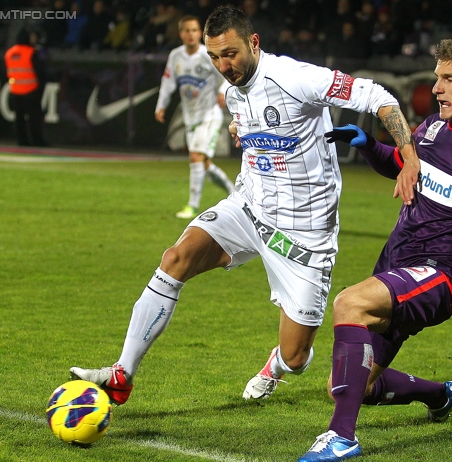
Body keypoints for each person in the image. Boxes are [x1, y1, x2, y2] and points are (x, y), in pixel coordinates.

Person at [70, 5, 419, 408]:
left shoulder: (297, 78)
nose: (223, 65)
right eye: (214, 56)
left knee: (296, 356)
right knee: (176, 258)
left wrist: (407, 153)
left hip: (304, 233)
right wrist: (242, 128)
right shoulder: (234, 91)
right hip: (249, 208)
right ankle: (122, 374)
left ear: (254, 42)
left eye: (230, 54)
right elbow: (249, 117)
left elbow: (379, 97)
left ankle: (275, 365)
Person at [298, 38, 452, 462]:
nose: (436, 88)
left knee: (349, 303)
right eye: (436, 77)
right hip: (397, 262)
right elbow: (402, 167)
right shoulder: (433, 126)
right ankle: (441, 395)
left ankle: (341, 437)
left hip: (438, 275)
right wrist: (368, 145)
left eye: (448, 79)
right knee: (353, 386)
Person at [154, 15, 235, 220]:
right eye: (187, 31)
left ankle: (192, 206)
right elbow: (168, 82)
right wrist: (161, 105)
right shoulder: (176, 56)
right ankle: (235, 194)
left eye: (194, 30)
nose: (191, 35)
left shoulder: (208, 54)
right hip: (190, 117)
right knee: (204, 164)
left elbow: (227, 74)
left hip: (209, 115)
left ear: (201, 33)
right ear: (181, 33)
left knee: (195, 158)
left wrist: (222, 91)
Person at [4, 29, 48, 147]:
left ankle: (22, 141)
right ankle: (37, 141)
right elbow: (39, 71)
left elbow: (7, 72)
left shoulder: (9, 53)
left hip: (16, 90)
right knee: (34, 119)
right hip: (31, 90)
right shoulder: (31, 52)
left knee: (19, 119)